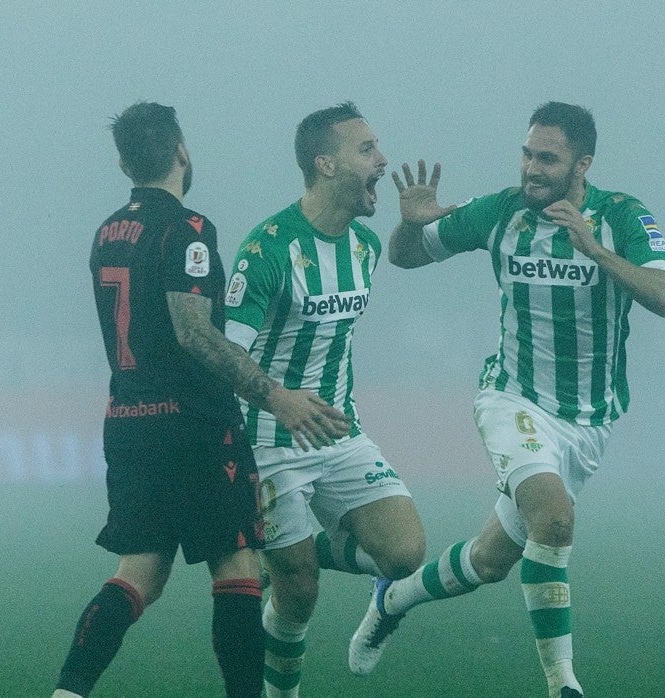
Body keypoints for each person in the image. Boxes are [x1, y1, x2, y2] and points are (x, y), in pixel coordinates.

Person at [348, 101, 665, 698]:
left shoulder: (621, 216)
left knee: (489, 560)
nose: (531, 167)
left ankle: (394, 598)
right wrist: (409, 223)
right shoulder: (501, 212)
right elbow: (404, 255)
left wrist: (596, 250)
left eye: (546, 158)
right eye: (527, 153)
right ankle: (564, 686)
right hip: (512, 399)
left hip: (586, 422)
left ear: (583, 164)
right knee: (552, 517)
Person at [53, 102, 349, 698]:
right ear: (182, 150)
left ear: (122, 162)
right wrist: (274, 396)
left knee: (137, 574)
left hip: (128, 420)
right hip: (193, 423)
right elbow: (193, 333)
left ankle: (66, 692)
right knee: (237, 568)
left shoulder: (108, 230)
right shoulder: (186, 228)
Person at [223, 101, 431, 698]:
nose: (382, 161)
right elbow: (226, 355)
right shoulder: (268, 249)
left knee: (404, 553)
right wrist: (278, 399)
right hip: (269, 441)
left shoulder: (364, 247)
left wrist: (414, 225)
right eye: (367, 150)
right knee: (300, 594)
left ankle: (291, 554)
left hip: (339, 434)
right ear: (326, 164)